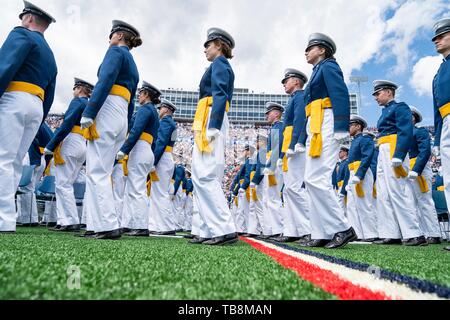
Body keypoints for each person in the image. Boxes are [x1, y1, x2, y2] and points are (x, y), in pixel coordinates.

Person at [80, 20, 141, 240]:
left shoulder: (115, 52)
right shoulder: (133, 63)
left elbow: (104, 81)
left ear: (119, 36)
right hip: (121, 112)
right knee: (102, 171)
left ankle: (106, 225)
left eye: (112, 35)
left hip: (108, 107)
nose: (110, 39)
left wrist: (90, 110)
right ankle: (97, 224)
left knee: (97, 170)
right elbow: (132, 100)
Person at [0, 1, 57, 233]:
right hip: (36, 106)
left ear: (29, 18)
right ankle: (6, 219)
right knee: (13, 162)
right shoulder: (50, 54)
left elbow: (4, 67)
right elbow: (51, 93)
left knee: (3, 158)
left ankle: (3, 219)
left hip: (14, 99)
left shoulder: (21, 35)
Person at [300, 33, 356, 248]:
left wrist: (341, 126)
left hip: (327, 121)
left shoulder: (329, 66)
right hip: (316, 124)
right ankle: (321, 231)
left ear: (322, 50)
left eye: (310, 48)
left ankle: (343, 228)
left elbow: (340, 94)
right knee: (311, 179)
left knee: (317, 178)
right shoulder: (317, 70)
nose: (306, 52)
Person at [191, 28, 238, 246]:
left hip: (211, 116)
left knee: (206, 174)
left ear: (219, 45)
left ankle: (223, 228)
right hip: (208, 116)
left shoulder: (219, 64)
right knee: (201, 175)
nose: (204, 49)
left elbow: (219, 92)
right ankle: (206, 229)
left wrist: (214, 124)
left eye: (207, 45)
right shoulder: (217, 64)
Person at [372, 80, 426, 246]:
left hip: (393, 148)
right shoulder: (385, 111)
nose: (375, 97)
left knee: (398, 191)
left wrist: (399, 154)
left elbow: (405, 130)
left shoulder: (400, 107)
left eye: (378, 93)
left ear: (389, 92)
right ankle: (391, 233)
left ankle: (414, 233)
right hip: (383, 149)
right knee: (383, 194)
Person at [44, 78, 93, 232]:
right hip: (82, 143)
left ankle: (68, 221)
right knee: (67, 184)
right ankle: (67, 220)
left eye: (74, 88)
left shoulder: (77, 102)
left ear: (79, 89)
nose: (74, 91)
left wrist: (51, 145)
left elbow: (66, 125)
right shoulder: (89, 104)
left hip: (71, 141)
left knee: (62, 184)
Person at [117, 81, 160, 237]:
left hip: (139, 149)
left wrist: (124, 149)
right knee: (132, 189)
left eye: (141, 93)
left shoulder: (145, 109)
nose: (139, 96)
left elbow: (135, 131)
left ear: (146, 94)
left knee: (136, 189)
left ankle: (141, 225)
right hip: (145, 149)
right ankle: (129, 224)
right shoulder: (153, 112)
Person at [275, 68, 311, 244]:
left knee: (295, 188)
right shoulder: (293, 99)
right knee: (289, 191)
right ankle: (292, 229)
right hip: (289, 147)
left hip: (295, 146)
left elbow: (300, 120)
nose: (284, 84)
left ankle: (308, 229)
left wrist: (298, 143)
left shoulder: (300, 96)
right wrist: (283, 153)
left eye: (286, 81)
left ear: (296, 81)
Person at [406, 107, 442, 244]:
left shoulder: (420, 131)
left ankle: (434, 234)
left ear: (413, 118)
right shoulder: (403, 134)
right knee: (411, 203)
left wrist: (416, 169)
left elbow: (425, 151)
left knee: (425, 201)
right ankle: (419, 233)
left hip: (419, 169)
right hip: (408, 169)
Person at [430, 18, 450, 252]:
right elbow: (438, 110)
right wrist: (437, 139)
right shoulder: (439, 72)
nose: (437, 40)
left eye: (441, 36)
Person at [148, 99, 178, 236]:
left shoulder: (166, 122)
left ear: (166, 109)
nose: (159, 111)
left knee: (159, 192)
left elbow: (160, 142)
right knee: (159, 192)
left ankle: (165, 226)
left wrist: (153, 161)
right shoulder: (171, 122)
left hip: (163, 157)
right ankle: (160, 224)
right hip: (167, 157)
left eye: (161, 109)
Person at [346, 115, 378, 241]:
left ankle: (371, 234)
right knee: (353, 206)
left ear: (358, 126)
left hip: (361, 173)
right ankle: (357, 233)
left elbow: (367, 157)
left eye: (350, 125)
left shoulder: (365, 139)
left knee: (364, 204)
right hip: (353, 172)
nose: (348, 128)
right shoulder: (355, 140)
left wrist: (359, 175)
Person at [17, 123, 53, 226]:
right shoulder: (44, 125)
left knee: (25, 189)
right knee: (29, 189)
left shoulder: (33, 122)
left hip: (31, 157)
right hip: (40, 157)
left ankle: (28, 219)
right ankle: (25, 217)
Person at [262, 103, 285, 240]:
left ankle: (279, 229)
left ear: (276, 114)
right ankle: (272, 229)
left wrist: (270, 165)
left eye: (269, 113)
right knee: (269, 198)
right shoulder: (274, 128)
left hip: (274, 165)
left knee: (274, 197)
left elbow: (276, 148)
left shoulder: (278, 127)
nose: (266, 115)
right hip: (272, 164)